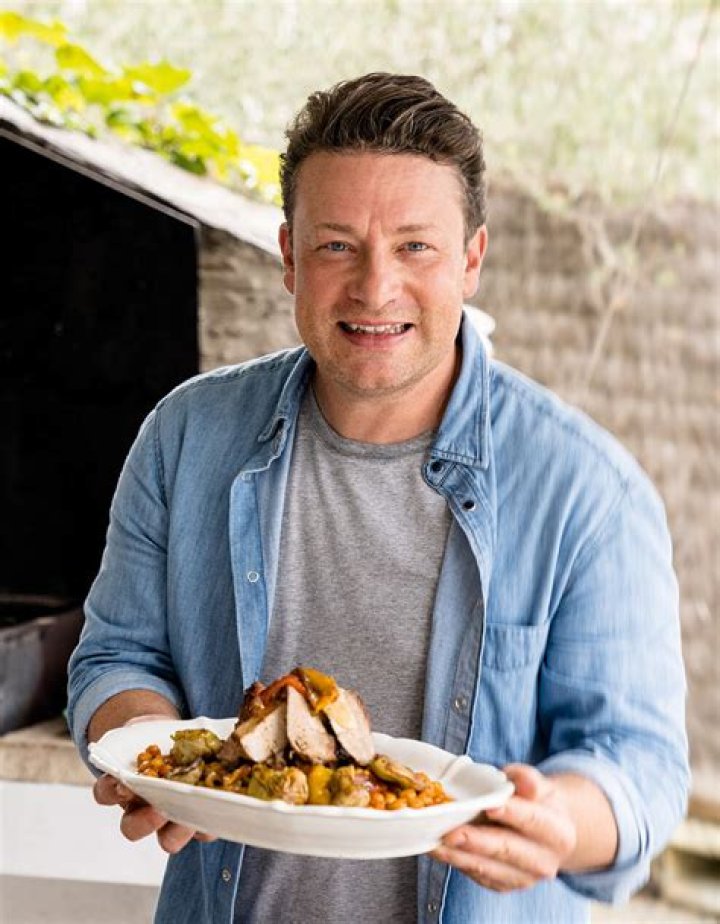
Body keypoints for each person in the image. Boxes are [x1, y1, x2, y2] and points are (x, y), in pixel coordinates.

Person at [68, 72, 689, 924]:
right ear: (289, 256)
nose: (374, 287)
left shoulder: (588, 490)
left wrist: (561, 821)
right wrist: (154, 759)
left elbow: (640, 764)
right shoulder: (186, 436)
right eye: (336, 246)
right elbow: (117, 658)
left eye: (414, 247)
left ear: (471, 260)